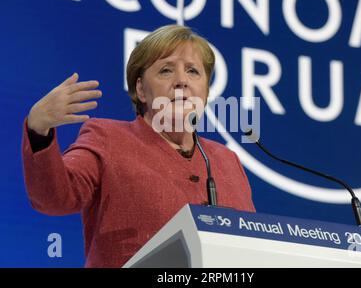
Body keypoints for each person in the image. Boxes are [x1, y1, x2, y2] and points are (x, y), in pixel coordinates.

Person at [22, 24, 255, 268]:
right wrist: (39, 130)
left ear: (206, 91)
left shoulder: (226, 160)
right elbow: (55, 198)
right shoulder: (108, 138)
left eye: (193, 71)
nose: (181, 81)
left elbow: (252, 248)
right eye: (166, 70)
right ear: (141, 90)